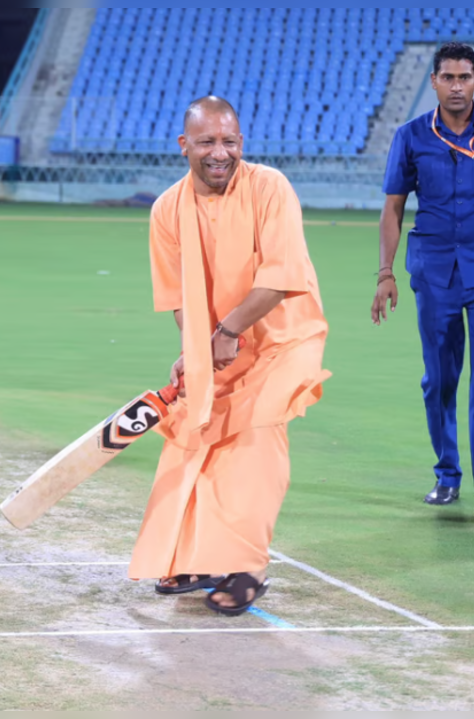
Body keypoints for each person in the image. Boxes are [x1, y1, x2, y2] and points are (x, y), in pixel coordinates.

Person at [128, 96, 330, 616]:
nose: (221, 154)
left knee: (255, 443)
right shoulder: (166, 209)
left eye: (230, 142)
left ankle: (248, 568)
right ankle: (195, 558)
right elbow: (178, 297)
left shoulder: (270, 187)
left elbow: (282, 277)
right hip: (220, 342)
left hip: (284, 338)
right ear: (183, 146)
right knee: (192, 436)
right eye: (208, 143)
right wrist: (193, 350)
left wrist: (227, 331)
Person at [371, 42, 474, 522]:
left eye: (465, 77)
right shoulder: (410, 137)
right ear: (434, 82)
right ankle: (448, 474)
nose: (457, 86)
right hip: (435, 271)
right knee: (440, 378)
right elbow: (393, 207)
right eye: (448, 77)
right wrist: (385, 272)